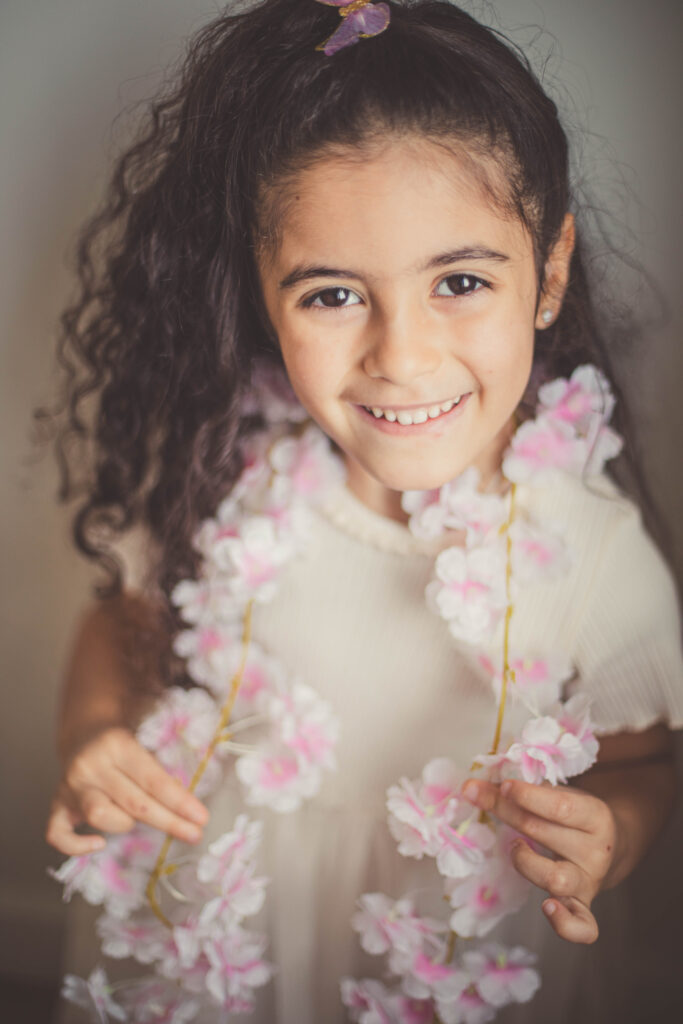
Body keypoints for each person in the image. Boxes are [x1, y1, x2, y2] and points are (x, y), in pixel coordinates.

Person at [43, 1, 683, 1021]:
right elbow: (122, 620)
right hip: (233, 932)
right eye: (332, 295)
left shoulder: (589, 549)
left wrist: (613, 829)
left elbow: (644, 757)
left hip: (453, 949)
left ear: (548, 271)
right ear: (260, 297)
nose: (402, 357)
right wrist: (94, 731)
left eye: (459, 280)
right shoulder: (225, 479)